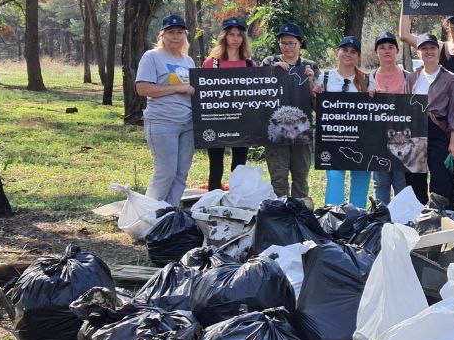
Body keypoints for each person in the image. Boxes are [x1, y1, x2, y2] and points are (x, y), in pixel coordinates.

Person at [134, 15, 197, 205]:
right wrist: (178, 88)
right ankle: (148, 217)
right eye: (171, 33)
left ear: (185, 36)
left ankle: (168, 217)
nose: (175, 37)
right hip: (162, 121)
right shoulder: (152, 56)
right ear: (163, 35)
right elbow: (142, 89)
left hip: (188, 124)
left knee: (180, 174)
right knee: (165, 173)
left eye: (179, 33)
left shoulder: (189, 61)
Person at [259, 23, 319, 201]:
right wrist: (272, 72)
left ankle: (300, 217)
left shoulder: (310, 66)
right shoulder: (269, 62)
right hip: (276, 131)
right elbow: (259, 95)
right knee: (278, 179)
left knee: (301, 178)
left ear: (300, 43)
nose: (287, 47)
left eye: (292, 43)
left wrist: (310, 80)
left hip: (302, 131)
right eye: (283, 42)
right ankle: (280, 218)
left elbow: (316, 104)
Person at [404, 32, 454, 209]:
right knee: (415, 179)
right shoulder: (411, 78)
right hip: (415, 132)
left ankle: (442, 217)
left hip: (438, 131)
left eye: (432, 48)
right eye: (424, 48)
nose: (428, 52)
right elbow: (405, 106)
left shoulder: (450, 78)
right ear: (418, 53)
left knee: (441, 179)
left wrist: (453, 142)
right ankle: (418, 216)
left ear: (439, 51)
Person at [200, 17, 254, 191]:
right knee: (215, 163)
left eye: (239, 35)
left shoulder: (249, 64)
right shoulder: (211, 63)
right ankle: (213, 198)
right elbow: (202, 92)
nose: (235, 38)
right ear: (224, 36)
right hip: (216, 119)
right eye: (231, 34)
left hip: (242, 120)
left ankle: (237, 197)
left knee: (239, 163)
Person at [321, 36, 371, 207]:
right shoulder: (324, 78)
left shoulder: (368, 80)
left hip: (362, 140)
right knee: (334, 178)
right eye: (345, 50)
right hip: (333, 140)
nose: (348, 54)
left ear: (358, 57)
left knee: (361, 179)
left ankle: (356, 220)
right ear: (338, 52)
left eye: (353, 52)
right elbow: (318, 110)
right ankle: (333, 220)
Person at [367, 31, 411, 205]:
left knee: (401, 183)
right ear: (376, 52)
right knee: (381, 183)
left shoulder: (409, 77)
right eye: (382, 47)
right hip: (378, 140)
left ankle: (401, 222)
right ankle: (381, 220)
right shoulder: (367, 78)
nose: (387, 51)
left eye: (391, 47)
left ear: (397, 51)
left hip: (402, 140)